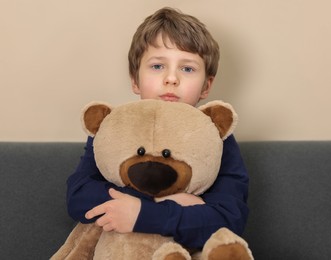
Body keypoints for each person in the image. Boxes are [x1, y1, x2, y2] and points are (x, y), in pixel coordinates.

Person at [66, 7, 249, 250]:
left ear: (207, 86)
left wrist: (145, 215)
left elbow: (229, 220)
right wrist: (156, 205)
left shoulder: (216, 138)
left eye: (187, 68)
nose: (171, 79)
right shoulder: (114, 128)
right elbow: (79, 197)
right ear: (134, 79)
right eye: (157, 66)